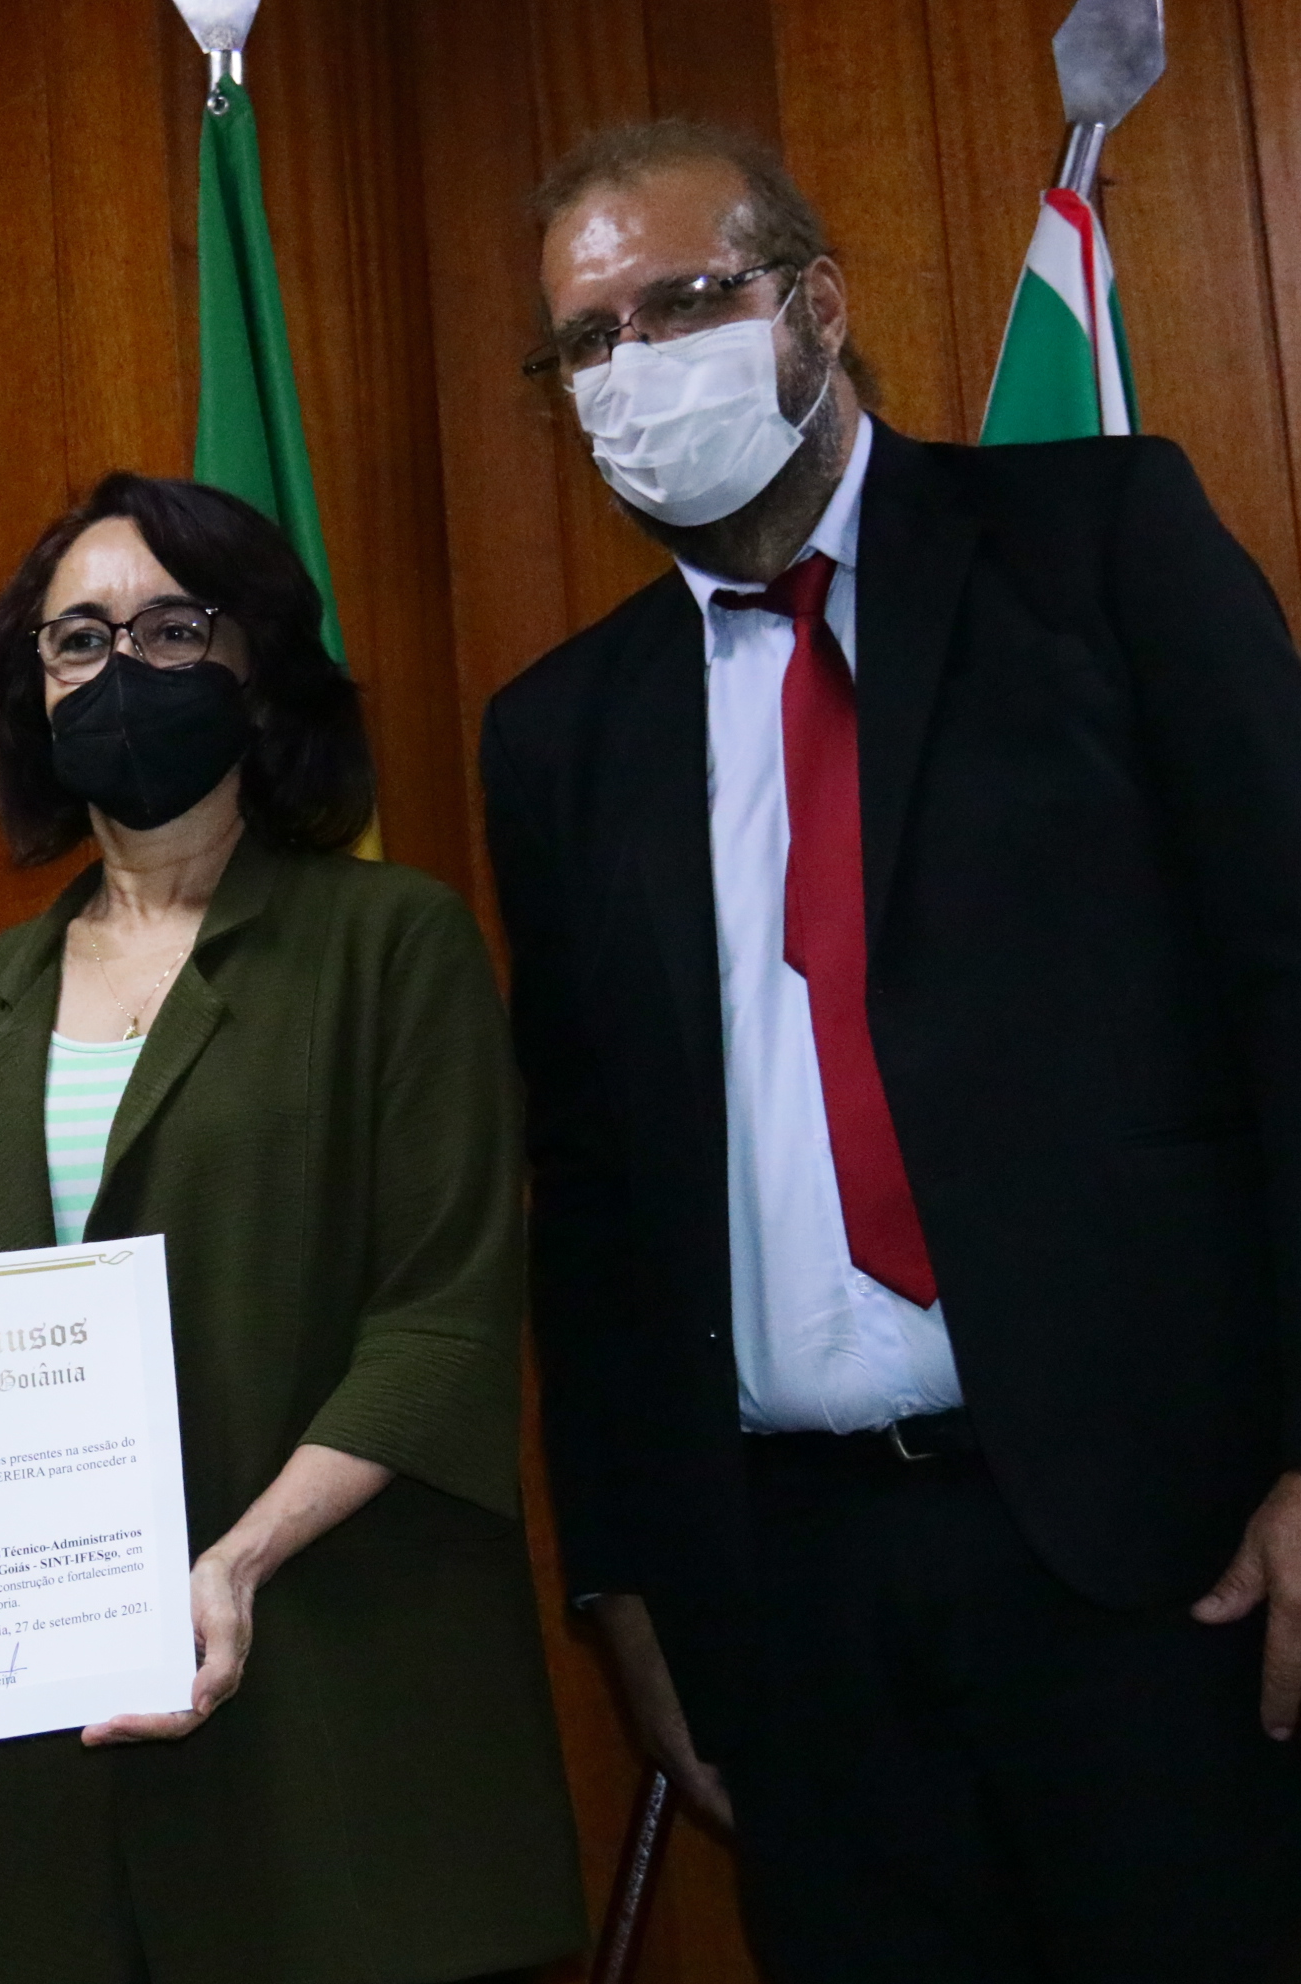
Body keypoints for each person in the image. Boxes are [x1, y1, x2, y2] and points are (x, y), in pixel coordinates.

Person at [483, 120, 1301, 1981]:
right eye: (588, 340)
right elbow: (593, 1194)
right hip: (798, 1600)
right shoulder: (561, 737)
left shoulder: (1099, 546)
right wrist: (628, 1584)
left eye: (680, 304)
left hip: (1159, 1551)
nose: (633, 366)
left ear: (819, 305)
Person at [0, 473, 583, 1983]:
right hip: (60, 1731)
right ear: (31, 689)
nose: (120, 667)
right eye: (77, 639)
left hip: (339, 1688)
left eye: (171, 628)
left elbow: (445, 1321)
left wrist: (233, 1561)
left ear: (258, 665)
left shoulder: (393, 942)